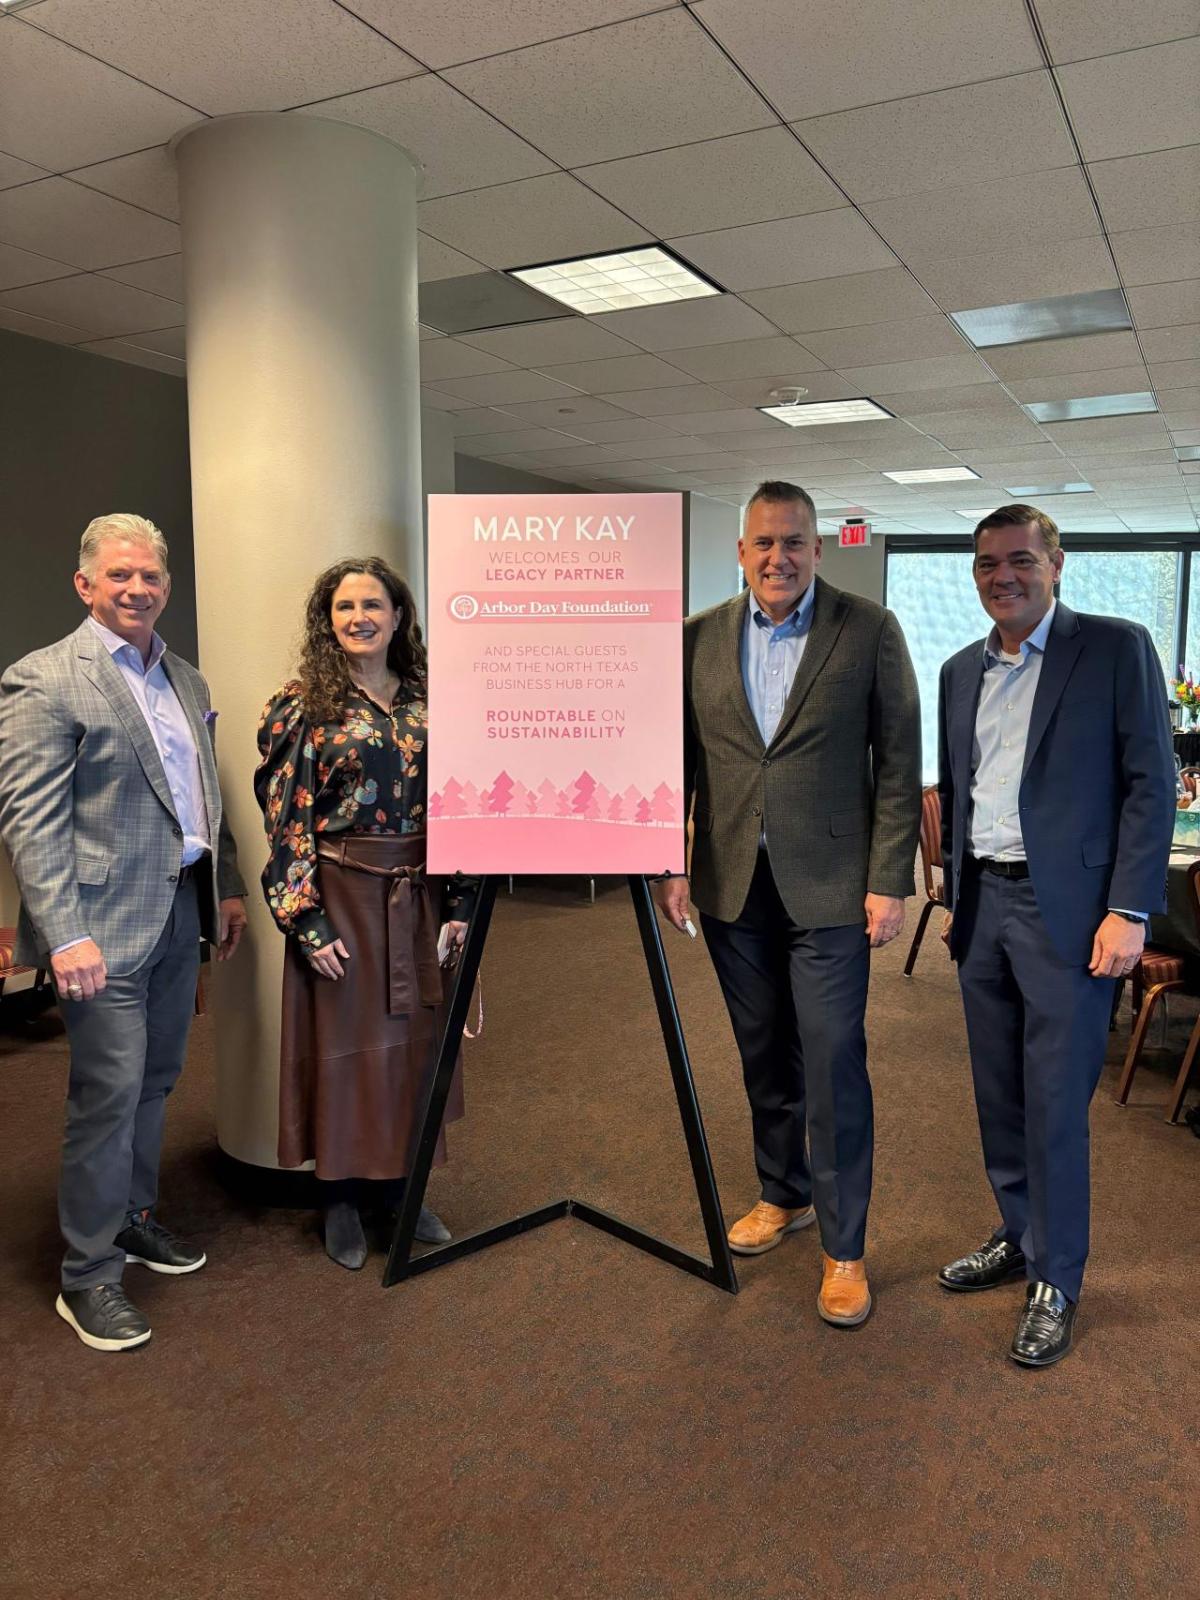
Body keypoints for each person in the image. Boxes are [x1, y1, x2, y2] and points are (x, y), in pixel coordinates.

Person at [655, 481, 921, 1327]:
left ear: (819, 547)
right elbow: (678, 763)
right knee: (762, 1048)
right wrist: (671, 863)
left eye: (795, 542)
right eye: (764, 543)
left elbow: (899, 755)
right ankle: (784, 1193)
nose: (779, 557)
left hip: (834, 888)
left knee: (835, 1056)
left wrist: (890, 878)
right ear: (741, 551)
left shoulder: (868, 629)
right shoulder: (696, 639)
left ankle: (845, 1248)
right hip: (733, 883)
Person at [0, 514, 247, 1353]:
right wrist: (62, 933)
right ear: (85, 585)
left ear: (166, 586)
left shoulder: (187, 679)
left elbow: (205, 794)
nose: (136, 588)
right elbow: (32, 822)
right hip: (98, 931)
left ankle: (135, 1217)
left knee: (157, 1078)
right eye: (118, 576)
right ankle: (89, 1275)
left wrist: (232, 888)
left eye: (149, 576)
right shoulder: (44, 680)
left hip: (182, 909)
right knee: (107, 1096)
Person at [937, 505, 1174, 1367]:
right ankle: (1017, 1231)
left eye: (1022, 560)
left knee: (1055, 1105)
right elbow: (960, 790)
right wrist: (957, 901)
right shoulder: (961, 670)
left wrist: (1133, 907)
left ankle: (1058, 1278)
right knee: (998, 1092)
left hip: (1068, 914)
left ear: (1057, 563)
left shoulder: (1115, 648)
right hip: (983, 908)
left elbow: (1150, 785)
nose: (1005, 576)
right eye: (989, 564)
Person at [255, 557, 470, 1270]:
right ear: (329, 620)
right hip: (342, 896)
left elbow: (460, 804)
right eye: (345, 607)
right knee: (345, 1053)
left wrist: (462, 903)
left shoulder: (431, 697)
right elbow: (285, 819)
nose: (359, 618)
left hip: (422, 894)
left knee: (414, 1049)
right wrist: (303, 917)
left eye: (372, 605)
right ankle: (341, 1198)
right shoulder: (303, 704)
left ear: (399, 615)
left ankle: (401, 1193)